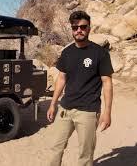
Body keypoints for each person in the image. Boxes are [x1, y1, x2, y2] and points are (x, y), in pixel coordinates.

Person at [46, 11, 114, 166]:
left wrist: (107, 112)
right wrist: (53, 103)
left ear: (89, 28)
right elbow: (61, 78)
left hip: (88, 111)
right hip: (65, 108)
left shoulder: (100, 53)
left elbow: (107, 83)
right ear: (71, 29)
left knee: (85, 153)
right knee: (56, 147)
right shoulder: (67, 52)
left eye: (83, 27)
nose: (79, 30)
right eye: (75, 27)